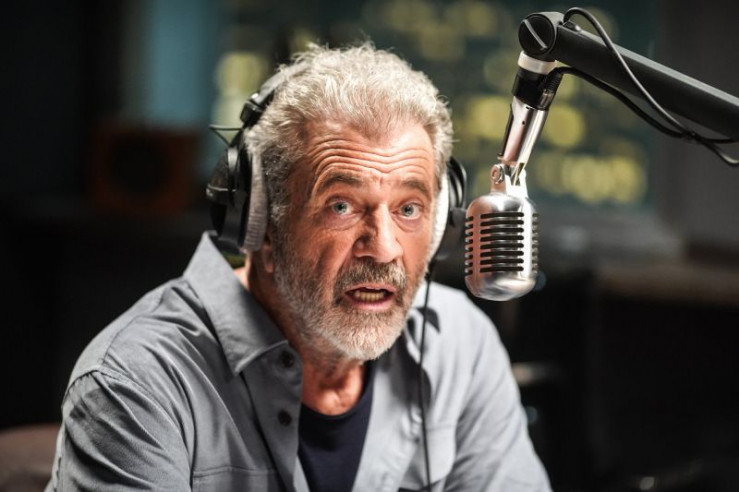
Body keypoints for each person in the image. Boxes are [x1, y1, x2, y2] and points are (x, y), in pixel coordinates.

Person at [46, 43, 550, 491]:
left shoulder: (460, 346)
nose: (383, 249)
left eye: (409, 208)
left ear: (439, 222)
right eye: (341, 206)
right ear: (261, 220)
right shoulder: (137, 382)